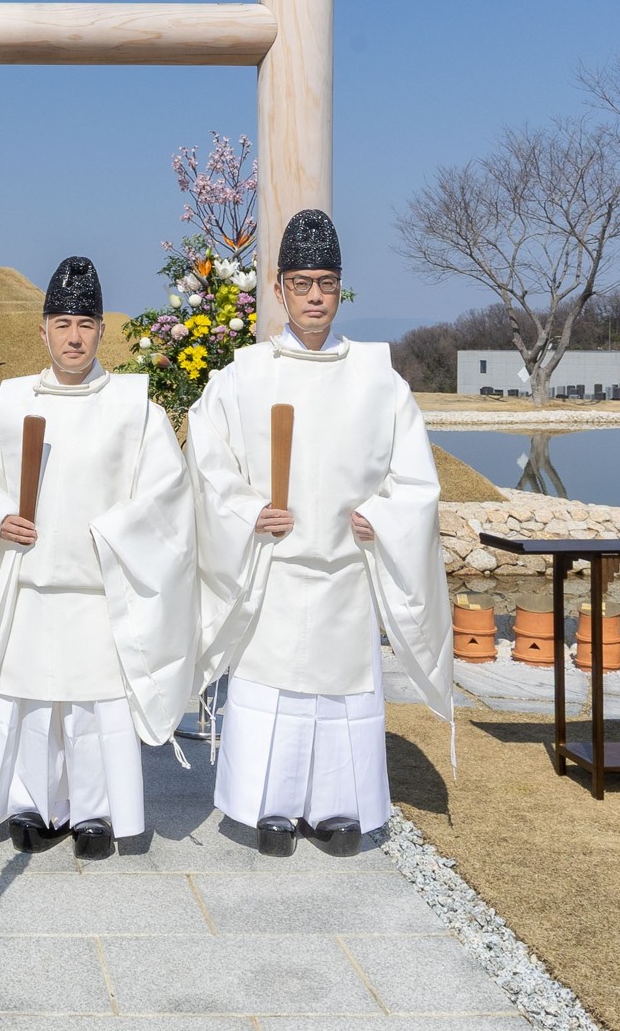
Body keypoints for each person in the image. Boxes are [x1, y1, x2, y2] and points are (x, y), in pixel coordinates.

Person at [188, 210, 452, 857]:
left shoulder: (377, 379)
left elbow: (415, 479)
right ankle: (268, 807)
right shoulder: (245, 375)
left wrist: (384, 516)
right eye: (302, 282)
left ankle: (339, 808)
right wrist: (248, 509)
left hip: (344, 573)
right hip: (274, 571)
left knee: (339, 699)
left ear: (340, 289)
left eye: (326, 283)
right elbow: (206, 455)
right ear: (278, 288)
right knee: (273, 690)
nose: (313, 296)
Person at [0, 257, 197, 859]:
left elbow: (167, 496)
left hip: (99, 587)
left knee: (92, 707)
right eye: (61, 323)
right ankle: (32, 804)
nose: (73, 336)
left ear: (102, 330)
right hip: (30, 583)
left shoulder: (136, 411)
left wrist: (115, 532)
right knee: (30, 701)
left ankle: (95, 812)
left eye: (85, 323)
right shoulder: (8, 408)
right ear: (43, 332)